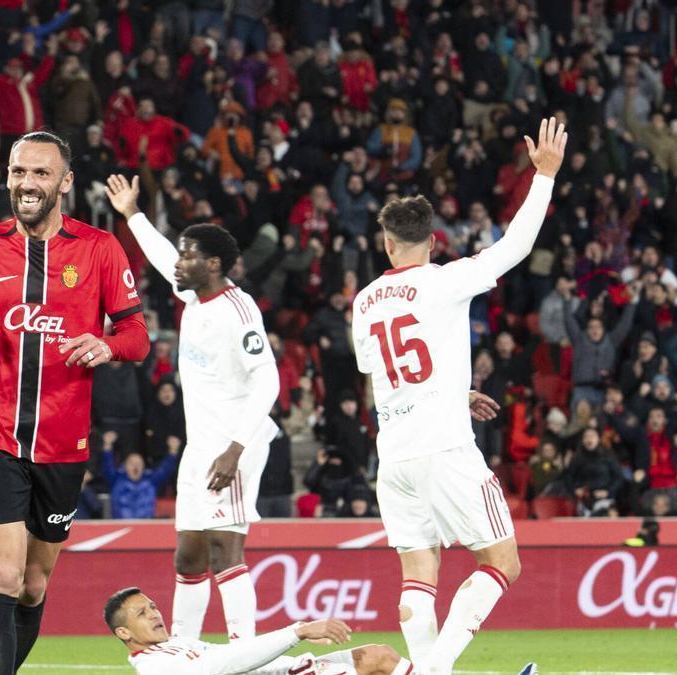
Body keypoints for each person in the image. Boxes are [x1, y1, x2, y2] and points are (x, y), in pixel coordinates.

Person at [0, 130, 150, 674]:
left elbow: (137, 336)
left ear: (65, 182)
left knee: (33, 583)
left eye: (41, 173)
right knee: (1, 574)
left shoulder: (99, 249)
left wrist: (107, 345)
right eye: (19, 172)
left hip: (64, 442)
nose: (26, 183)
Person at [349, 117, 567, 675]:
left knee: (418, 578)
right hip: (444, 447)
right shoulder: (445, 279)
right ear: (433, 240)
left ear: (387, 242)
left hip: (394, 455)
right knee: (503, 561)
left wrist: (449, 389)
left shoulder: (366, 301)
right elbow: (514, 247)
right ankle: (431, 671)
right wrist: (543, 176)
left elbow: (377, 370)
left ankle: (424, 670)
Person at [106, 173, 280, 642]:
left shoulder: (239, 311)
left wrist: (235, 449)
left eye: (190, 255)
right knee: (188, 556)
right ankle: (180, 654)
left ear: (215, 263)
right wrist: (132, 214)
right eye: (182, 252)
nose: (180, 262)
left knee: (226, 550)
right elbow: (164, 261)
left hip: (235, 445)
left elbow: (269, 379)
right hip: (200, 447)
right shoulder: (196, 298)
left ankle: (247, 658)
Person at [105, 587, 414, 675]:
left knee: (380, 656)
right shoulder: (156, 667)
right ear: (123, 632)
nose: (155, 614)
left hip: (291, 670)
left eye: (153, 606)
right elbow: (222, 665)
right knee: (380, 660)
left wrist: (294, 659)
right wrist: (297, 633)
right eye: (141, 613)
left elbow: (235, 656)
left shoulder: (177, 643)